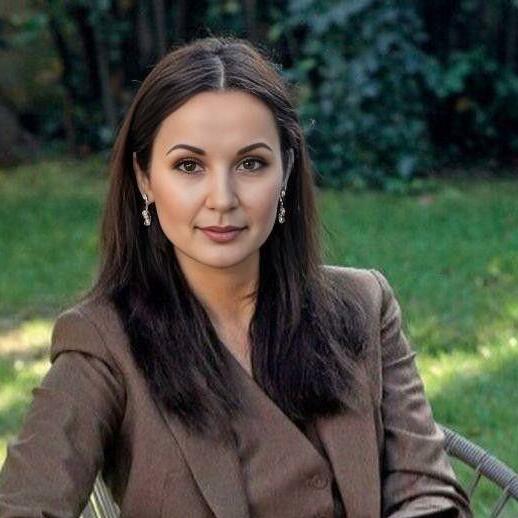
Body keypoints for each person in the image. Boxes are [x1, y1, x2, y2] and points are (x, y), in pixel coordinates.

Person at [0, 36, 473, 517]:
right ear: (144, 178)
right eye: (189, 165)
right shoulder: (103, 340)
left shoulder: (363, 304)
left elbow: (428, 492)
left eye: (251, 164)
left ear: (286, 171)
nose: (222, 198)